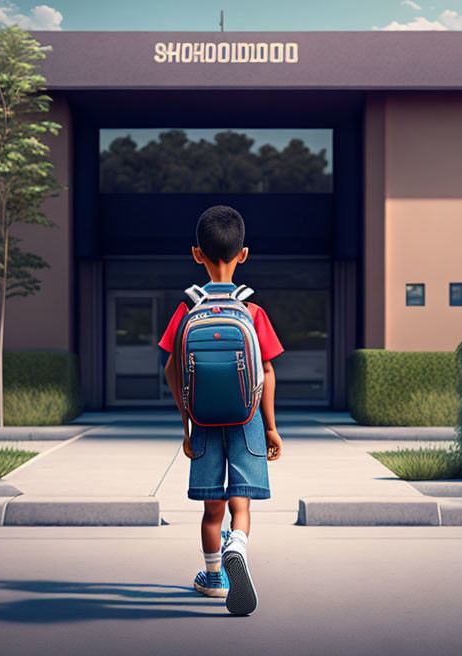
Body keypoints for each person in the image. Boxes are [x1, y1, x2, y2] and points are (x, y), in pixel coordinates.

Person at [158, 204, 284, 616]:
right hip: (247, 421)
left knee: (212, 508)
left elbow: (172, 370)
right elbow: (266, 370)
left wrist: (186, 423)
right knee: (239, 506)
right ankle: (238, 546)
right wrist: (271, 428)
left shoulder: (185, 310)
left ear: (197, 254)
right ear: (242, 254)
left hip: (205, 424)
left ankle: (214, 578)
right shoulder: (252, 310)